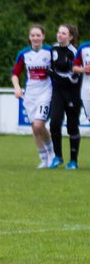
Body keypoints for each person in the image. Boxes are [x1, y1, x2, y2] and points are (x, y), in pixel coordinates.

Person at [12, 25, 55, 168]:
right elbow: (15, 74)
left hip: (46, 92)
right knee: (34, 128)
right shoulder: (24, 54)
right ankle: (43, 159)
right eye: (33, 35)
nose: (35, 38)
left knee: (39, 124)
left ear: (43, 36)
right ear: (29, 37)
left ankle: (51, 154)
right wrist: (17, 88)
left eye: (38, 35)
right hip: (30, 95)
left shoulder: (50, 51)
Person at [49, 23, 81, 169]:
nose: (59, 35)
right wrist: (52, 74)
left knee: (72, 126)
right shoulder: (53, 48)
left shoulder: (74, 52)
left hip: (72, 92)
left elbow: (74, 77)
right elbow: (51, 68)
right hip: (57, 91)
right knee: (54, 122)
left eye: (63, 33)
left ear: (70, 37)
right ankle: (58, 157)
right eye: (59, 32)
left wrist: (56, 76)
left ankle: (73, 160)